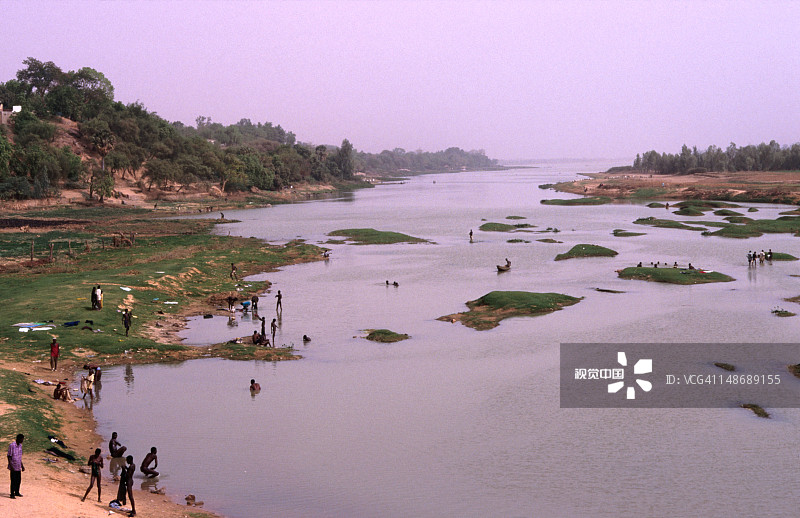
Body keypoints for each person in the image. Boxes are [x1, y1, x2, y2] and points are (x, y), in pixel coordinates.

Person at [7, 434, 24, 499]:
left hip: (18, 465)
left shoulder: (20, 446)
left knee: (18, 480)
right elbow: (9, 456)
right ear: (18, 439)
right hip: (13, 466)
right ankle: (12, 494)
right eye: (21, 439)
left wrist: (22, 466)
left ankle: (17, 492)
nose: (22, 440)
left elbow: (19, 457)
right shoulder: (12, 445)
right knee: (13, 480)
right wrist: (11, 466)